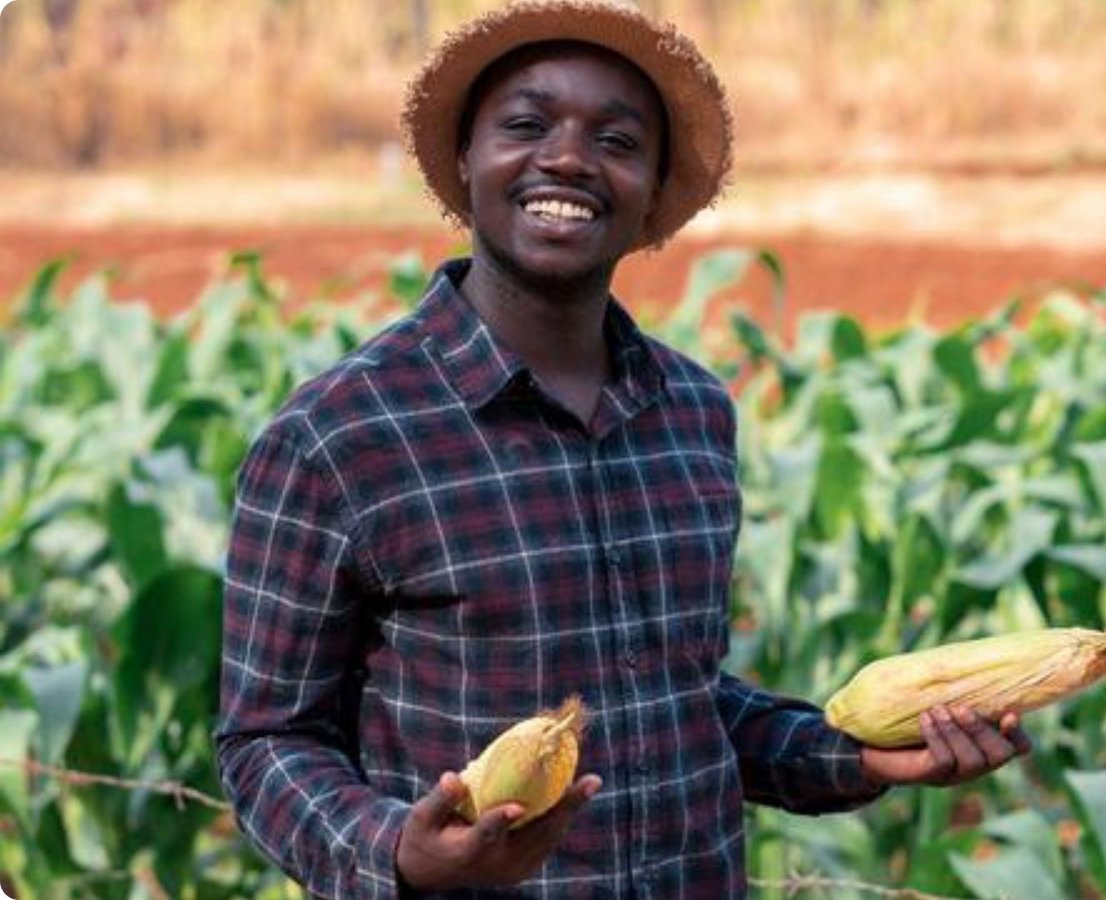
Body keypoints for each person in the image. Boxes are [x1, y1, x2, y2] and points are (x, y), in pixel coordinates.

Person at [214, 1, 1031, 897]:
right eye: (526, 125)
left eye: (617, 140)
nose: (568, 158)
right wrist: (397, 852)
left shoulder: (693, 414)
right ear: (462, 160)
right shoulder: (340, 435)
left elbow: (678, 702)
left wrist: (862, 757)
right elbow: (265, 739)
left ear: (651, 189)